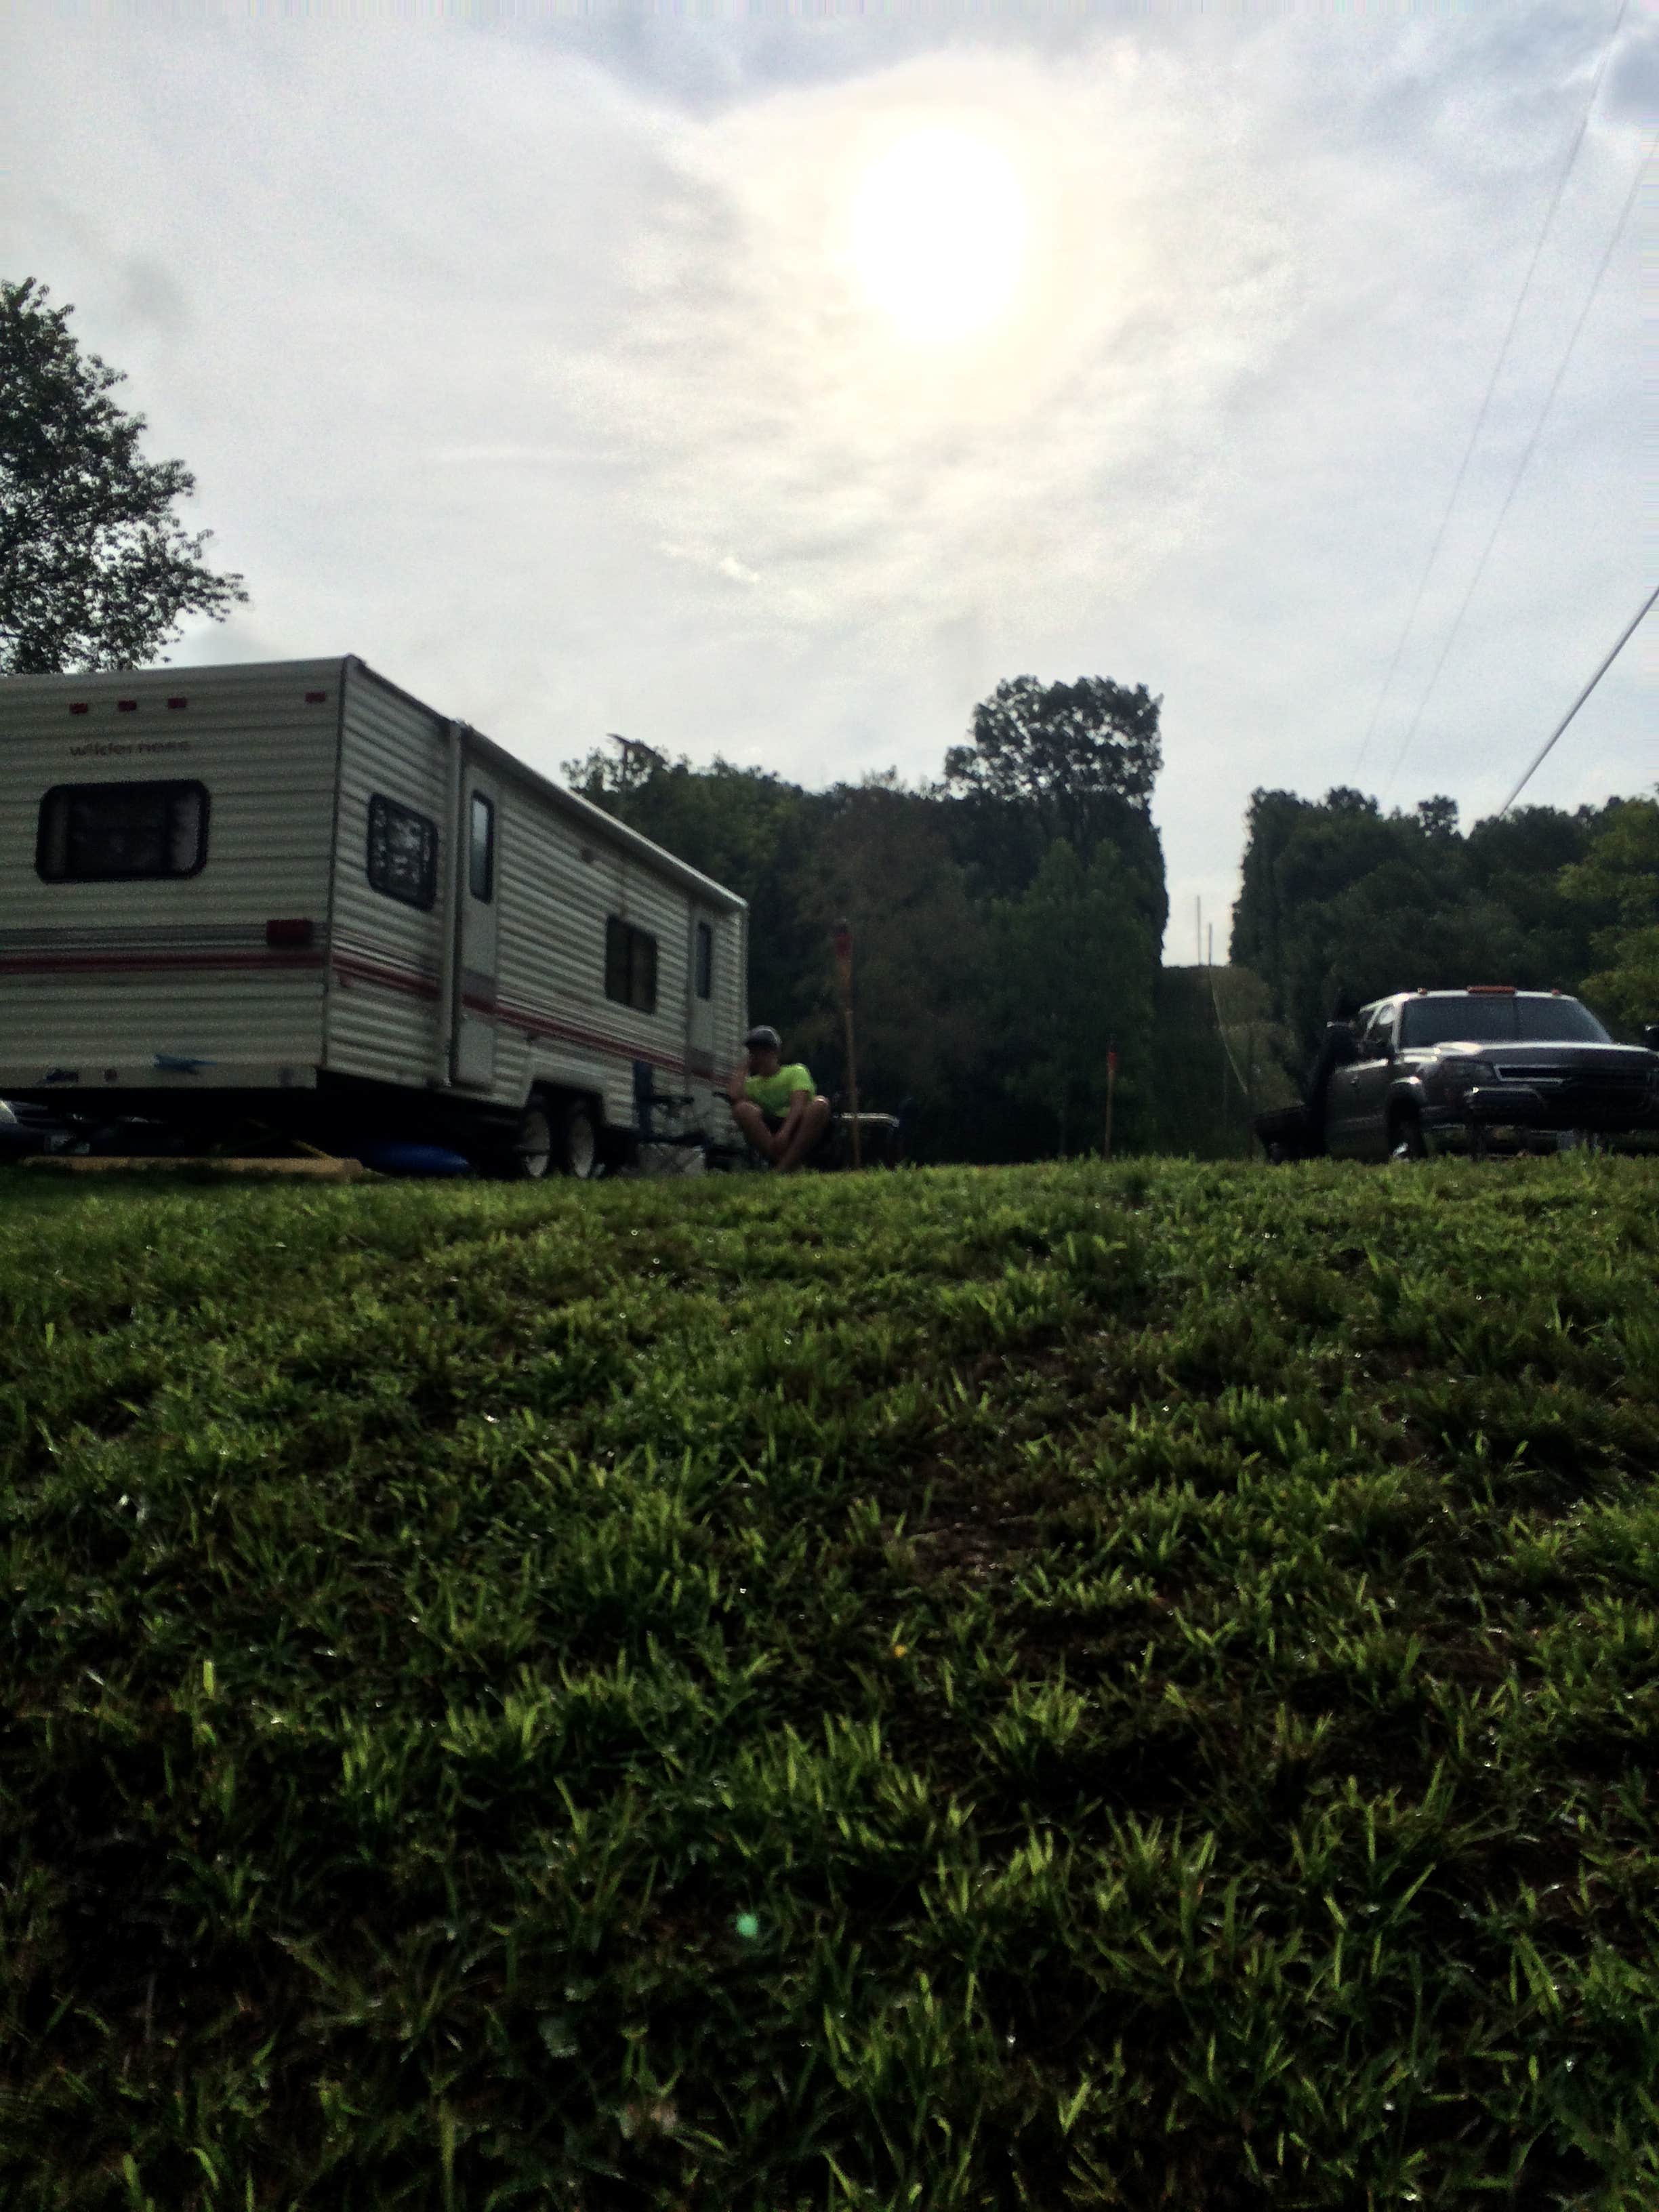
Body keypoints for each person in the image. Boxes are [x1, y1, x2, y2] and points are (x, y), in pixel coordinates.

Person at [726, 1025, 832, 1172]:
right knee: (741, 1109)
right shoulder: (752, 1084)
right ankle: (788, 1166)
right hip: (769, 1127)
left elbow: (799, 1103)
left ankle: (784, 1167)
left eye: (764, 1050)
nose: (759, 1056)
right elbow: (733, 1096)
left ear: (775, 1052)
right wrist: (743, 1069)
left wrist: (785, 1132)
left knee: (820, 1105)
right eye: (754, 1052)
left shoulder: (795, 1071)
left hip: (798, 1124)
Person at [1303, 994, 1361, 1151]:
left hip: (1319, 1088)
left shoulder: (1331, 1033)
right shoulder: (1340, 1034)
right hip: (1327, 1090)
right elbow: (1351, 1057)